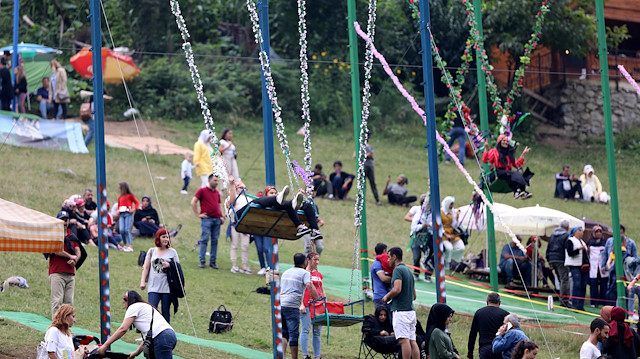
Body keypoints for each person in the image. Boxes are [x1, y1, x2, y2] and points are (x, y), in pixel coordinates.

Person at [97, 290, 177, 358]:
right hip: (169, 336)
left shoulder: (133, 307)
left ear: (127, 301)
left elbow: (123, 329)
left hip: (161, 338)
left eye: (124, 303)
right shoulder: (146, 307)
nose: (124, 306)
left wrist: (105, 345)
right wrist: (136, 353)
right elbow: (147, 338)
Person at [381, 247, 420, 359]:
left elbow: (397, 289)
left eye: (389, 257)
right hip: (411, 312)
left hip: (401, 312)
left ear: (394, 257)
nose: (388, 260)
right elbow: (414, 296)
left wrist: (387, 296)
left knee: (404, 341)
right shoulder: (408, 271)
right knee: (412, 341)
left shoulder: (398, 270)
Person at [281, 253, 319, 359]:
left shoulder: (286, 272)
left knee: (284, 333)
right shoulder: (304, 273)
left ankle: (282, 356)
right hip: (292, 306)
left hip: (281, 304)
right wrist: (317, 298)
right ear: (305, 262)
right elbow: (309, 285)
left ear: (294, 262)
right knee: (294, 334)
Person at [140, 229, 180, 323]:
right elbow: (145, 267)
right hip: (153, 287)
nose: (166, 239)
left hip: (167, 287)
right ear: (158, 238)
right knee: (151, 311)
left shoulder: (172, 252)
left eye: (167, 237)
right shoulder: (151, 251)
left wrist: (170, 265)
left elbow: (178, 268)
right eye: (163, 237)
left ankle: (166, 334)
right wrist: (142, 281)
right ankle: (149, 334)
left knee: (165, 311)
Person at [49, 211, 81, 317]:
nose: (64, 222)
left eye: (66, 220)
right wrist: (70, 256)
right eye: (62, 220)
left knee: (69, 303)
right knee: (57, 301)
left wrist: (75, 260)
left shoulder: (71, 235)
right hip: (57, 272)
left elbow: (78, 250)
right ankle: (56, 326)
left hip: (70, 273)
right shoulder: (54, 235)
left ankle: (67, 327)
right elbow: (56, 250)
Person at [482, 135, 533, 199]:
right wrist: (486, 149)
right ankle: (519, 191)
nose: (506, 142)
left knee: (516, 175)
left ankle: (520, 191)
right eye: (504, 141)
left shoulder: (509, 154)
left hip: (507, 173)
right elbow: (485, 160)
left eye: (507, 141)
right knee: (511, 174)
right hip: (497, 173)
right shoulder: (494, 151)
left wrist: (523, 154)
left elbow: (516, 165)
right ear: (499, 142)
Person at [191, 174, 225, 269]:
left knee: (215, 240)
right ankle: (202, 260)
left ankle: (212, 261)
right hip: (207, 219)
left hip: (217, 219)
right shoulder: (202, 191)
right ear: (209, 180)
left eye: (217, 181)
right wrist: (198, 214)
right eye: (215, 180)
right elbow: (193, 202)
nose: (216, 182)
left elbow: (219, 205)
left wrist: (222, 216)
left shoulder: (217, 193)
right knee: (205, 239)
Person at [467, 293, 510, 359]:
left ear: (487, 302)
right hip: (499, 349)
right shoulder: (506, 315)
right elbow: (510, 335)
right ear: (499, 302)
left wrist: (470, 353)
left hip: (484, 349)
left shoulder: (479, 313)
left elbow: (473, 335)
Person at [300, 252, 324, 359]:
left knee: (317, 332)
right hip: (307, 304)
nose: (317, 262)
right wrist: (301, 304)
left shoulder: (318, 274)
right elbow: (300, 290)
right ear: (309, 260)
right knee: (306, 329)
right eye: (315, 260)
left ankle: (317, 356)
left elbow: (322, 290)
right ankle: (306, 355)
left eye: (318, 260)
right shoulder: (303, 273)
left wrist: (325, 302)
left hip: (318, 306)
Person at [224, 178, 252, 274]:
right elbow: (230, 205)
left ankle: (244, 265)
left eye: (245, 188)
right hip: (235, 224)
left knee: (245, 246)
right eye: (241, 187)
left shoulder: (249, 199)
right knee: (234, 245)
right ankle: (234, 265)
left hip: (246, 225)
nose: (244, 189)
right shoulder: (232, 197)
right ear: (236, 188)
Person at [546, 219, 571, 307]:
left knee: (561, 280)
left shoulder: (553, 235)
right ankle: (564, 301)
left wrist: (549, 260)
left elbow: (548, 247)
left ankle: (562, 298)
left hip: (552, 259)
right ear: (567, 227)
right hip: (561, 259)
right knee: (564, 279)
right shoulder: (566, 235)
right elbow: (567, 248)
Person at [411, 196, 434, 282]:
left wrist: (430, 226)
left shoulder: (434, 214)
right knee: (416, 256)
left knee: (429, 256)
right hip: (417, 237)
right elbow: (413, 227)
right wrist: (422, 226)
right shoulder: (419, 213)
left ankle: (428, 275)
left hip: (428, 238)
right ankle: (416, 273)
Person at [566, 226, 588, 311]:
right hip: (575, 265)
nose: (581, 232)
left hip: (583, 267)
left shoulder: (582, 242)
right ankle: (575, 303)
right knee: (577, 285)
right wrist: (578, 249)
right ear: (575, 232)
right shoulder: (570, 240)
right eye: (579, 230)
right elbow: (570, 252)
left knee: (583, 285)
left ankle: (580, 305)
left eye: (582, 231)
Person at [441, 196, 465, 269]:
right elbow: (439, 225)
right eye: (451, 204)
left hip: (451, 233)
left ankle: (453, 261)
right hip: (443, 234)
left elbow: (454, 225)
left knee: (461, 247)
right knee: (449, 248)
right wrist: (446, 235)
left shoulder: (452, 212)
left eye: (453, 204)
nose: (452, 206)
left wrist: (457, 216)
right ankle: (446, 263)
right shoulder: (440, 212)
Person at [588, 226, 608, 307]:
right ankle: (593, 302)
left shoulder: (605, 242)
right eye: (597, 232)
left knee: (604, 286)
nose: (599, 234)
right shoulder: (590, 242)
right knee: (593, 285)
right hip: (593, 268)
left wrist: (605, 266)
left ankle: (604, 302)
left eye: (600, 232)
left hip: (603, 268)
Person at [116, 181, 138, 251]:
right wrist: (118, 210)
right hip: (122, 214)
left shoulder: (130, 196)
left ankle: (130, 245)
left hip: (128, 213)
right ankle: (125, 244)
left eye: (119, 188)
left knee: (127, 229)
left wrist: (134, 209)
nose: (118, 189)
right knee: (122, 229)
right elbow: (119, 205)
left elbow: (136, 202)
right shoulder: (119, 197)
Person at [370, 243, 392, 312]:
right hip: (381, 297)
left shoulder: (382, 263)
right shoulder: (377, 264)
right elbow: (384, 278)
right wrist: (397, 279)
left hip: (385, 296)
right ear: (384, 251)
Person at [363, 131, 381, 205]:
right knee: (362, 183)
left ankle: (377, 199)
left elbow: (372, 156)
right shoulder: (360, 146)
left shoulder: (369, 146)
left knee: (372, 182)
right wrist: (368, 155)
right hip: (363, 166)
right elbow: (355, 155)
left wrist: (365, 155)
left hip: (370, 166)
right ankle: (362, 199)